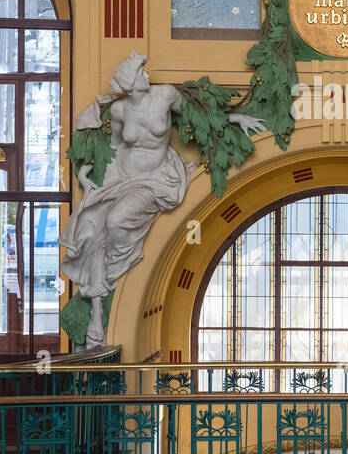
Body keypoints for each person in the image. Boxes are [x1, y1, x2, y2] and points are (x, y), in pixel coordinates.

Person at [59, 53, 265, 345]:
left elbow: (197, 117)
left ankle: (105, 289)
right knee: (93, 230)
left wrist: (234, 117)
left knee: (115, 221)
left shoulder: (165, 95)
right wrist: (84, 174)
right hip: (123, 176)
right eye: (140, 73)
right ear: (130, 84)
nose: (146, 75)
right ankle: (96, 305)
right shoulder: (118, 111)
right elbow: (113, 146)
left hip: (156, 180)